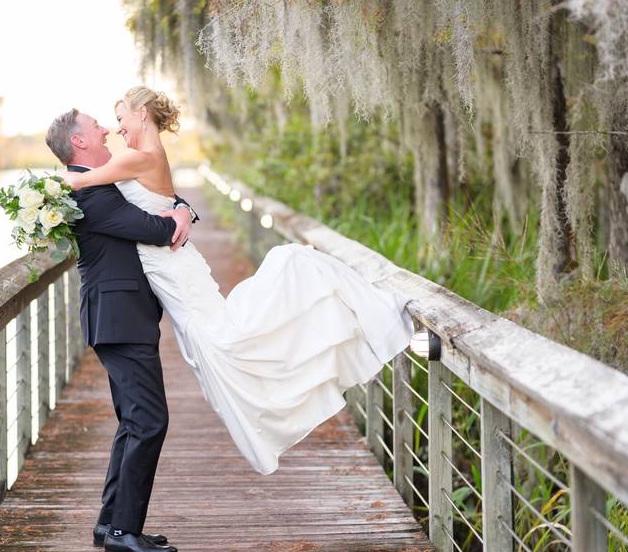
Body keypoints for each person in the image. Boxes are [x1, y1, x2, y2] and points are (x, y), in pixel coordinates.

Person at [62, 86, 415, 478]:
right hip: (172, 266)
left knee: (225, 339)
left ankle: (315, 339)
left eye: (120, 117)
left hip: (173, 267)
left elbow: (79, 183)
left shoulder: (136, 158)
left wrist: (39, 195)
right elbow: (165, 199)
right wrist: (181, 209)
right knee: (222, 338)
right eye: (109, 123)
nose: (116, 128)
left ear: (141, 113)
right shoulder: (147, 157)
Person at [45, 108, 197, 552]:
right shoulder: (90, 196)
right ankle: (122, 533)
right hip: (119, 317)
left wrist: (184, 208)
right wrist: (179, 218)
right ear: (79, 142)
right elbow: (152, 229)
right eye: (96, 126)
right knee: (150, 421)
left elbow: (153, 200)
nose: (106, 130)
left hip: (120, 315)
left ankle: (112, 524)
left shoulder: (94, 185)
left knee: (135, 422)